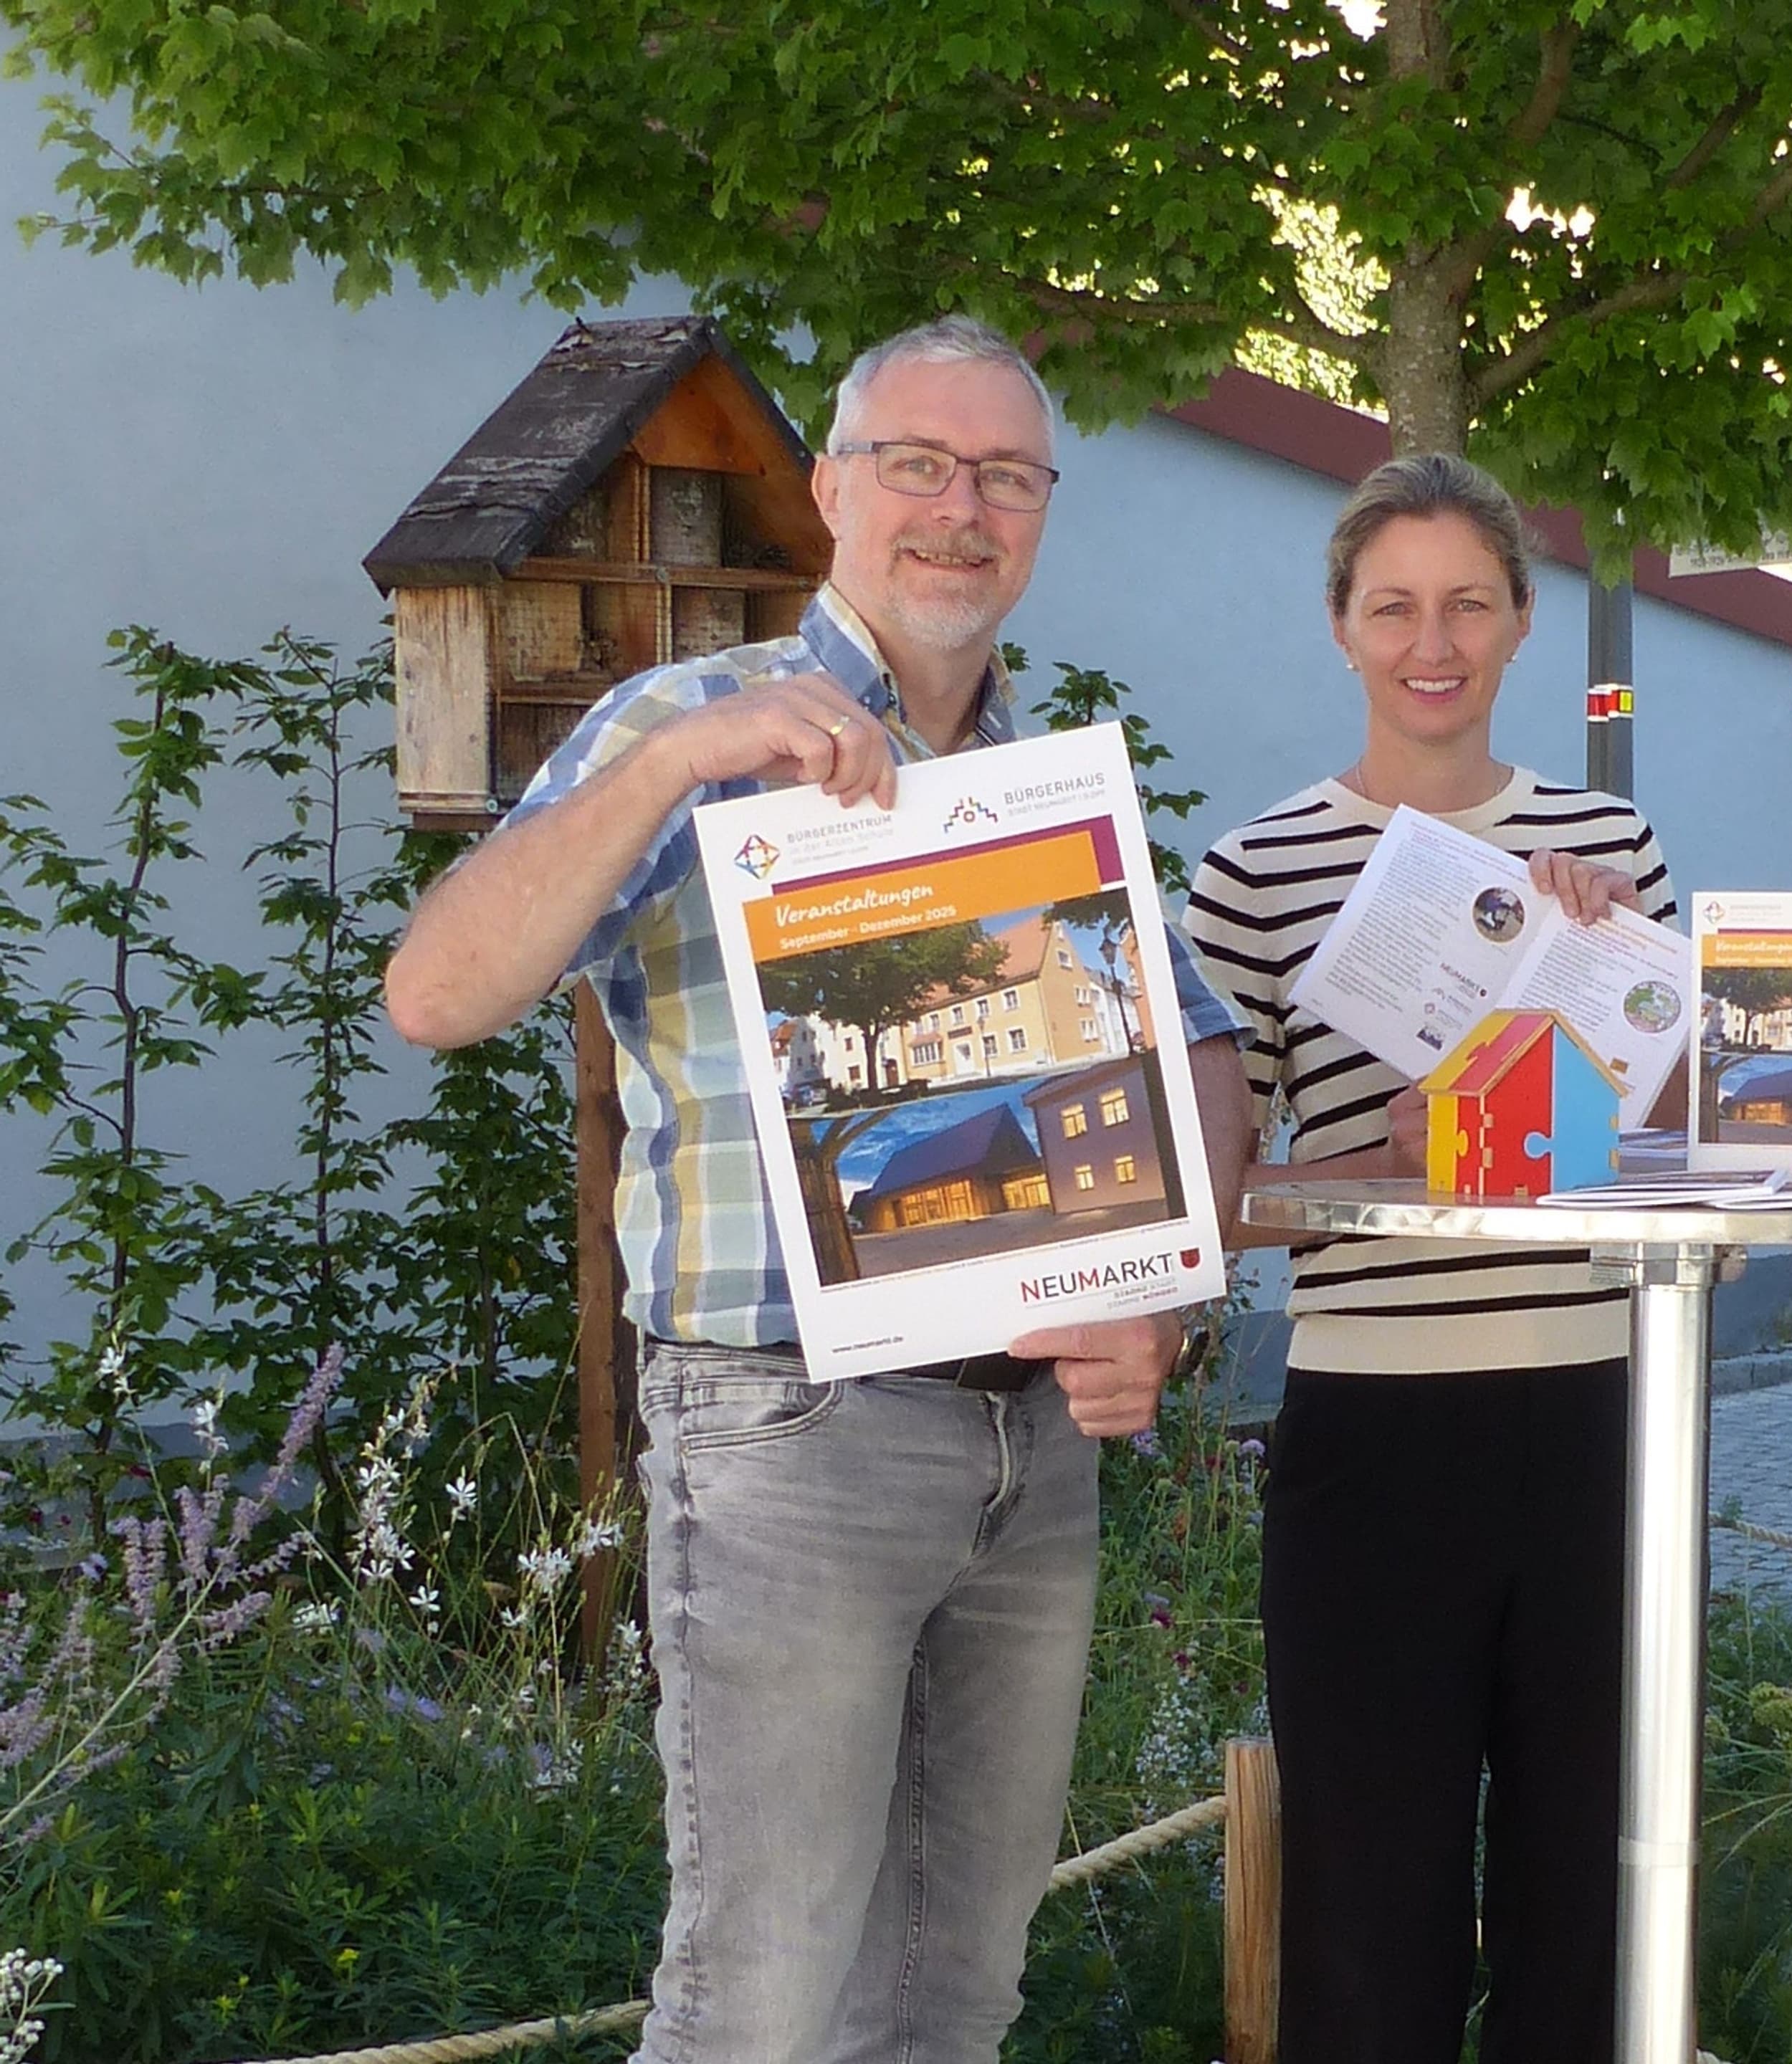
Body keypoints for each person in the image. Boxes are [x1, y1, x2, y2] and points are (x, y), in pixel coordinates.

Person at [383, 315, 1249, 2064]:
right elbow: (434, 997)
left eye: (1005, 476)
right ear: (834, 490)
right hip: (791, 1430)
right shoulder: (685, 722)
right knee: (760, 2006)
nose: (961, 510)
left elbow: (1204, 1058)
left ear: (1043, 514)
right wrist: (668, 773)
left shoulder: (1045, 784)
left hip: (1033, 1445)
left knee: (952, 1998)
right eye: (919, 465)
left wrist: (1167, 1282)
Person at [1183, 453, 1679, 2063]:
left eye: (1469, 600)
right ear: (1340, 627)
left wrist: (1614, 980)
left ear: (1525, 621)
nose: (1432, 638)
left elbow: (1672, 1159)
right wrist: (1384, 1165)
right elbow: (1212, 1203)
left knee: (1587, 1908)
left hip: (1601, 1414)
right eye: (1393, 605)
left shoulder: (1610, 846)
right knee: (1368, 1916)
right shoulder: (1253, 878)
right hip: (1373, 1433)